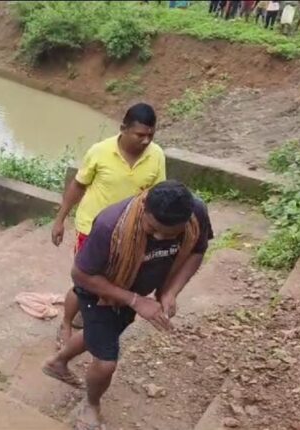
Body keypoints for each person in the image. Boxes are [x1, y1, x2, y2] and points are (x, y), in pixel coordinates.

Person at [43, 181, 213, 429]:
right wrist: (135, 301)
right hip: (99, 292)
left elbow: (197, 251)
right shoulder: (110, 225)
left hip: (134, 290)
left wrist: (170, 292)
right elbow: (80, 275)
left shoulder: (196, 213)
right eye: (152, 229)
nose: (159, 238)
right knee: (106, 362)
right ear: (144, 207)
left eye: (170, 235)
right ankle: (91, 405)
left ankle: (57, 363)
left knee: (102, 333)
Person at [51, 103, 166, 350]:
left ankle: (91, 316)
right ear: (123, 129)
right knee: (84, 281)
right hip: (92, 230)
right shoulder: (99, 152)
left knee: (114, 279)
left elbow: (157, 195)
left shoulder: (156, 155)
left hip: (130, 233)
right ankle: (67, 323)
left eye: (151, 135)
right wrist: (60, 220)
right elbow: (78, 185)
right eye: (140, 135)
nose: (146, 141)